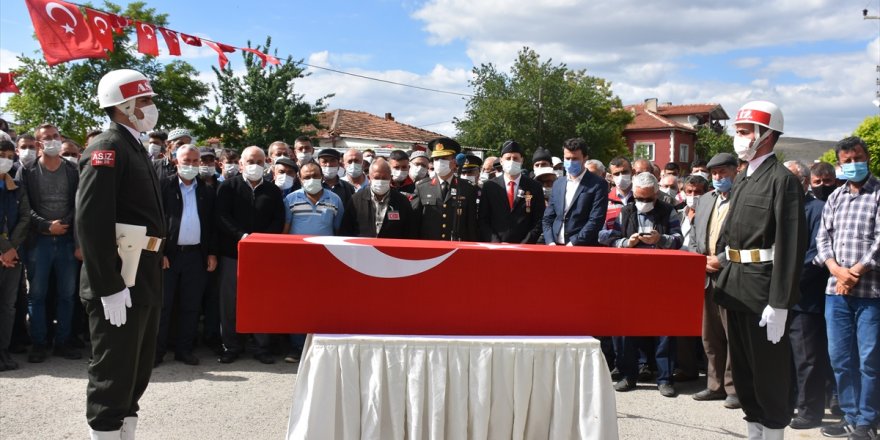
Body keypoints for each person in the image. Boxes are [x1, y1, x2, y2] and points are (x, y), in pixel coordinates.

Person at [77, 69, 167, 439]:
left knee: (135, 375)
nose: (152, 107)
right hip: (118, 280)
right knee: (113, 374)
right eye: (145, 101)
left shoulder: (133, 145)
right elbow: (92, 222)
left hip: (141, 274)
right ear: (126, 106)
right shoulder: (107, 147)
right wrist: (108, 285)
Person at [714, 101, 806, 440]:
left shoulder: (783, 181)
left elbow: (791, 244)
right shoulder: (742, 178)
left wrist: (780, 301)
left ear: (765, 136)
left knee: (769, 373)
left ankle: (773, 434)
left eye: (742, 132)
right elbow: (729, 233)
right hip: (734, 285)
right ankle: (754, 431)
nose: (737, 139)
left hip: (764, 291)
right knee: (743, 372)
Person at [814, 137, 880, 440]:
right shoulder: (836, 197)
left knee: (869, 359)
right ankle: (851, 416)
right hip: (836, 292)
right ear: (840, 164)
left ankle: (868, 419)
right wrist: (837, 271)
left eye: (858, 158)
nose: (853, 164)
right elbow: (822, 239)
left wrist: (854, 272)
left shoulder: (878, 193)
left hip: (871, 294)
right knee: (840, 358)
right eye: (847, 160)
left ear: (866, 158)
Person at [600, 172, 682, 397]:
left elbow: (679, 239)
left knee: (664, 329)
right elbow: (609, 238)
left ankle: (665, 378)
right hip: (630, 277)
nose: (642, 204)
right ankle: (628, 375)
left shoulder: (668, 211)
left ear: (656, 194)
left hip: (661, 277)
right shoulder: (625, 212)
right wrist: (628, 242)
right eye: (638, 198)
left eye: (647, 199)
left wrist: (660, 240)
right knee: (625, 328)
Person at [215, 146, 285, 365]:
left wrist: (261, 240)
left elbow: (278, 219)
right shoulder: (228, 187)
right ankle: (231, 346)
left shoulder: (273, 191)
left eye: (259, 161)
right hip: (232, 254)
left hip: (262, 256)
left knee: (261, 301)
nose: (254, 165)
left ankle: (261, 346)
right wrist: (242, 236)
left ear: (266, 164)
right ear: (241, 164)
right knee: (229, 303)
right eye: (250, 161)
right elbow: (222, 217)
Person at [19, 123, 82, 363]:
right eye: (47, 137)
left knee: (67, 295)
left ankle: (63, 342)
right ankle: (39, 343)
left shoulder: (72, 170)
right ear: (38, 143)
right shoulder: (28, 171)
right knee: (37, 295)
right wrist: (46, 226)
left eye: (56, 136)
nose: (53, 140)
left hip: (67, 240)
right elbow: (24, 207)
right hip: (39, 242)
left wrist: (63, 224)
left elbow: (78, 205)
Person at [781, 159, 833, 430]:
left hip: (805, 297)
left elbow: (817, 255)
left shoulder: (818, 210)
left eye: (789, 181)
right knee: (785, 358)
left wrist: (788, 282)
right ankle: (788, 403)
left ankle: (810, 411)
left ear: (802, 182)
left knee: (807, 358)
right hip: (779, 297)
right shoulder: (781, 209)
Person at [156, 145, 217, 367]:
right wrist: (159, 252)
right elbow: (155, 221)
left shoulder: (206, 190)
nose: (191, 165)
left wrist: (211, 253)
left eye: (194, 161)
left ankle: (184, 350)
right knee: (163, 305)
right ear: (175, 161)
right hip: (169, 256)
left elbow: (211, 225)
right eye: (186, 160)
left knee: (191, 306)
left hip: (196, 256)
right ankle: (157, 352)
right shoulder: (163, 185)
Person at [690, 153, 741, 410]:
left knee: (733, 335)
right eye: (715, 174)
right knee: (710, 335)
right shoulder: (705, 200)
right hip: (706, 275)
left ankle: (734, 388)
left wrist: (720, 259)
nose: (718, 178)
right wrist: (699, 260)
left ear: (736, 171)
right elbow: (694, 235)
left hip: (731, 274)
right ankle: (715, 385)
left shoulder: (742, 198)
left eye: (723, 172)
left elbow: (746, 238)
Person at [0, 139, 31, 371]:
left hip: (13, 256)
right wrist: (5, 248)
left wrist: (12, 248)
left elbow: (24, 218)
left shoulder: (16, 187)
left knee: (8, 306)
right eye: (3, 154)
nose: (7, 160)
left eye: (11, 156)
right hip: (6, 253)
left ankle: (4, 351)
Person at [411, 137, 479, 241]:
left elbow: (471, 225)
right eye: (436, 159)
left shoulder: (467, 188)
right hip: (430, 247)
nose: (439, 162)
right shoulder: (422, 187)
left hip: (457, 248)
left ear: (454, 161)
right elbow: (415, 223)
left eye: (444, 158)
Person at [543, 138, 608, 246]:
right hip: (555, 245)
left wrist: (574, 243)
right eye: (567, 158)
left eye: (575, 159)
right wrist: (550, 242)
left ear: (585, 158)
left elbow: (596, 220)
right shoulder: (558, 183)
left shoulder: (598, 184)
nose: (570, 162)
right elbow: (548, 217)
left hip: (581, 247)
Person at [478, 140, 545, 244]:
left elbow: (538, 220)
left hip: (524, 249)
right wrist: (496, 243)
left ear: (522, 160)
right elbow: (483, 219)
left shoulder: (534, 187)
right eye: (508, 158)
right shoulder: (489, 186)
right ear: (501, 161)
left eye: (515, 158)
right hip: (496, 248)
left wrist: (524, 244)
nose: (512, 161)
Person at [341, 158, 418, 239]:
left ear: (390, 178)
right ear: (369, 178)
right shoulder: (356, 200)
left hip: (391, 250)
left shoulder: (402, 201)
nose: (381, 181)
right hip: (363, 249)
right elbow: (346, 230)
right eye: (377, 178)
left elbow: (410, 231)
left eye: (384, 178)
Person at [282, 162, 344, 236]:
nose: (312, 180)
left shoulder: (335, 199)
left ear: (322, 177)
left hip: (325, 246)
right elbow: (285, 228)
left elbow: (339, 229)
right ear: (300, 179)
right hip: (298, 246)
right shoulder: (290, 199)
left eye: (315, 176)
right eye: (307, 177)